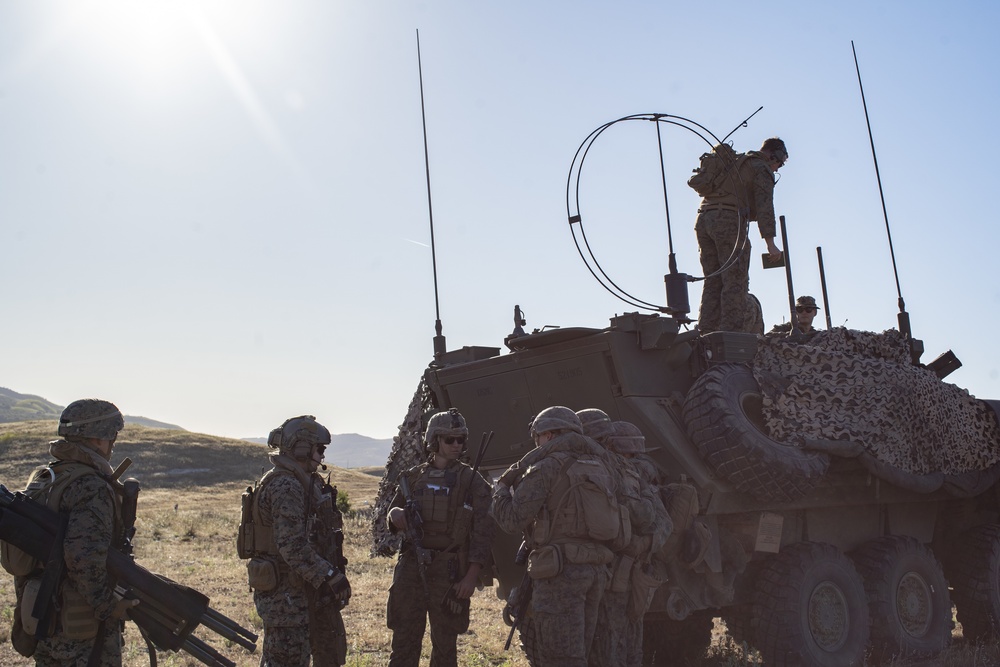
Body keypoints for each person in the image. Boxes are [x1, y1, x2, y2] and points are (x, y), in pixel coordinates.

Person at [8, 399, 136, 666]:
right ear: (96, 438)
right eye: (111, 435)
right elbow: (83, 559)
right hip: (81, 628)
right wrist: (108, 606)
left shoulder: (47, 477)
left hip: (44, 616)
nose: (113, 443)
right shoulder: (91, 487)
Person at [491, 406, 618, 667]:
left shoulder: (546, 467)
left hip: (561, 574)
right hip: (595, 570)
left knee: (560, 657)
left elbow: (512, 520)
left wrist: (501, 490)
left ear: (548, 436)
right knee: (584, 651)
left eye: (537, 436)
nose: (536, 442)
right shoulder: (600, 466)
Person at [386, 408, 494, 667]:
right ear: (434, 441)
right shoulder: (413, 477)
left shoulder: (472, 481)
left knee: (445, 647)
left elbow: (483, 532)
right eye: (449, 439)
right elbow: (392, 511)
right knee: (403, 642)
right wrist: (395, 513)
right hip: (412, 565)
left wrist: (471, 575)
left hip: (449, 570)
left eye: (460, 440)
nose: (456, 445)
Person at [248, 415, 350, 667]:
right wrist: (329, 575)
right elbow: (291, 546)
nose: (322, 456)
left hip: (305, 593)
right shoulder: (285, 485)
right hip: (287, 599)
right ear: (302, 448)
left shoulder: (303, 481)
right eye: (320, 449)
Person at [692, 137, 788, 334]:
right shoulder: (760, 168)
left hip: (704, 219)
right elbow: (765, 207)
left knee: (713, 279)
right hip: (728, 222)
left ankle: (706, 332)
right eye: (780, 162)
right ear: (773, 155)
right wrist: (771, 244)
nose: (778, 168)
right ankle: (730, 338)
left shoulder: (735, 162)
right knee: (735, 281)